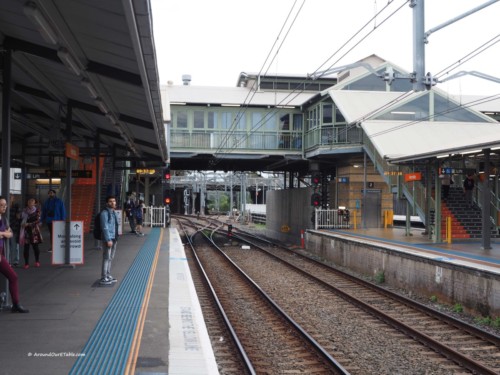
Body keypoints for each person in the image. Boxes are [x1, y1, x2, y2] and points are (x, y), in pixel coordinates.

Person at [0, 196, 29, 313]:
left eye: (5, 205)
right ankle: (16, 304)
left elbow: (11, 233)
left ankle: (16, 304)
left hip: (1, 254)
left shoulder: (4, 219)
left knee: (13, 277)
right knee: (13, 277)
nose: (4, 207)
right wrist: (4, 233)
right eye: (1, 205)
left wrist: (3, 233)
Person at [99, 195, 119, 286]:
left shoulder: (113, 212)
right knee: (106, 257)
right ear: (107, 203)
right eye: (111, 201)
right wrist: (108, 239)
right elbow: (105, 227)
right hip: (109, 238)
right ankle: (104, 277)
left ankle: (108, 274)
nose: (113, 203)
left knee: (111, 258)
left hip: (114, 238)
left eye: (114, 201)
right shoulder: (104, 213)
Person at [20, 198, 43, 269]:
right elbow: (21, 219)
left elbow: (38, 221)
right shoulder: (24, 211)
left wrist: (28, 224)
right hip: (26, 231)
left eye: (32, 201)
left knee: (35, 247)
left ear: (35, 203)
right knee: (26, 248)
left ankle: (37, 261)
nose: (30, 202)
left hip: (34, 232)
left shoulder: (37, 211)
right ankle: (26, 263)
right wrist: (21, 222)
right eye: (29, 201)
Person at [8, 195, 21, 267]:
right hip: (6, 229)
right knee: (8, 245)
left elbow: (18, 217)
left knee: (15, 245)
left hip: (14, 228)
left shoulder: (16, 206)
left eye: (11, 198)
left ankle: (15, 260)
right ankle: (8, 260)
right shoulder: (4, 206)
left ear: (13, 199)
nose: (9, 199)